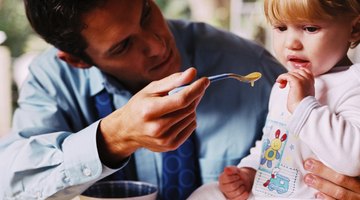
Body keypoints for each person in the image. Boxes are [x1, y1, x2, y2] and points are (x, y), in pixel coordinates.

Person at [0, 0, 358, 199]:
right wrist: (111, 139)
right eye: (123, 46)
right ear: (78, 60)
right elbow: (8, 183)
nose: (158, 44)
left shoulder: (253, 66)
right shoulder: (54, 78)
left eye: (146, 14)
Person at [219, 0, 360, 199]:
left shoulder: (353, 83)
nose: (291, 43)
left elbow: (353, 159)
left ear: (355, 28)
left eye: (310, 28)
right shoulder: (284, 84)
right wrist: (249, 172)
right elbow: (273, 142)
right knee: (205, 193)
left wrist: (303, 106)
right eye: (281, 28)